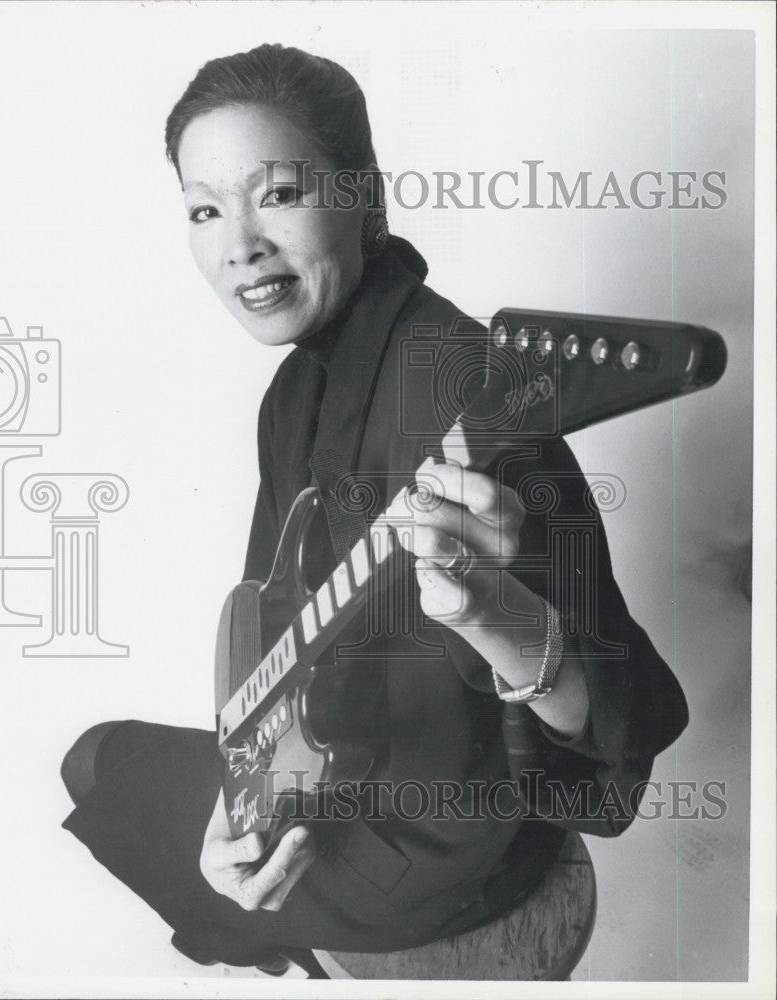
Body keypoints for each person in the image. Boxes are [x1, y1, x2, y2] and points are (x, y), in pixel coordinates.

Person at [61, 43, 689, 977]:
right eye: (203, 209)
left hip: (443, 843)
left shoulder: (472, 391)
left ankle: (296, 935)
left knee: (102, 772)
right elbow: (266, 634)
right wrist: (237, 807)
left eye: (276, 193)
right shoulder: (290, 391)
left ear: (362, 192)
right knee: (100, 760)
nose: (238, 243)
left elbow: (611, 760)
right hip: (332, 770)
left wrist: (490, 610)